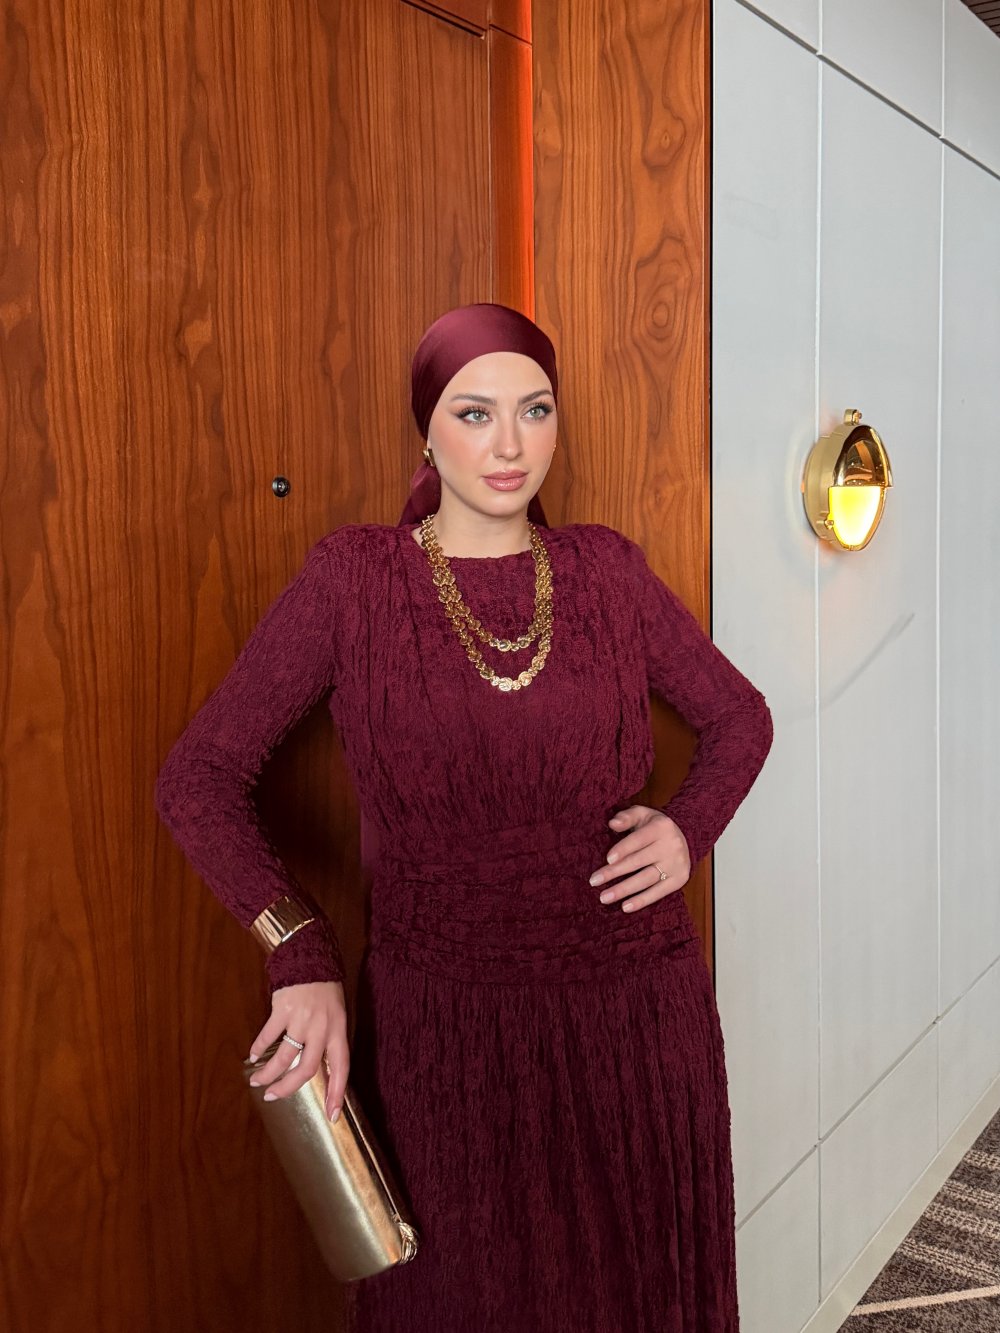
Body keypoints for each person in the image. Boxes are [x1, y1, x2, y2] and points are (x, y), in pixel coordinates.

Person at [154, 301, 774, 1332]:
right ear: (427, 431)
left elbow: (739, 716)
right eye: (475, 413)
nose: (510, 444)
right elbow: (199, 776)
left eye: (535, 409)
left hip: (635, 1016)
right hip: (445, 1031)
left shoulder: (605, 570)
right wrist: (297, 948)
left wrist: (688, 827)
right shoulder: (355, 579)